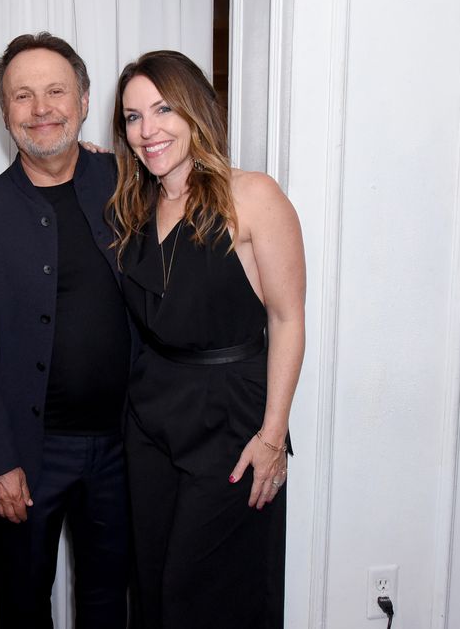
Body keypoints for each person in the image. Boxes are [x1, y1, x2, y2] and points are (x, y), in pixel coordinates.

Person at [109, 50, 305, 627]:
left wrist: (273, 435)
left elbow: (289, 320)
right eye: (132, 117)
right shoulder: (135, 202)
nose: (148, 130)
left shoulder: (253, 194)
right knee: (153, 586)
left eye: (163, 109)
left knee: (207, 592)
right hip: (151, 418)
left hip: (230, 420)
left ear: (196, 110)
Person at [0, 32, 132, 627]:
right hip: (28, 456)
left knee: (111, 599)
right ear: (3, 112)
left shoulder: (129, 184)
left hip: (127, 448)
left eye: (55, 91)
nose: (41, 107)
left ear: (81, 99)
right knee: (24, 605)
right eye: (22, 95)